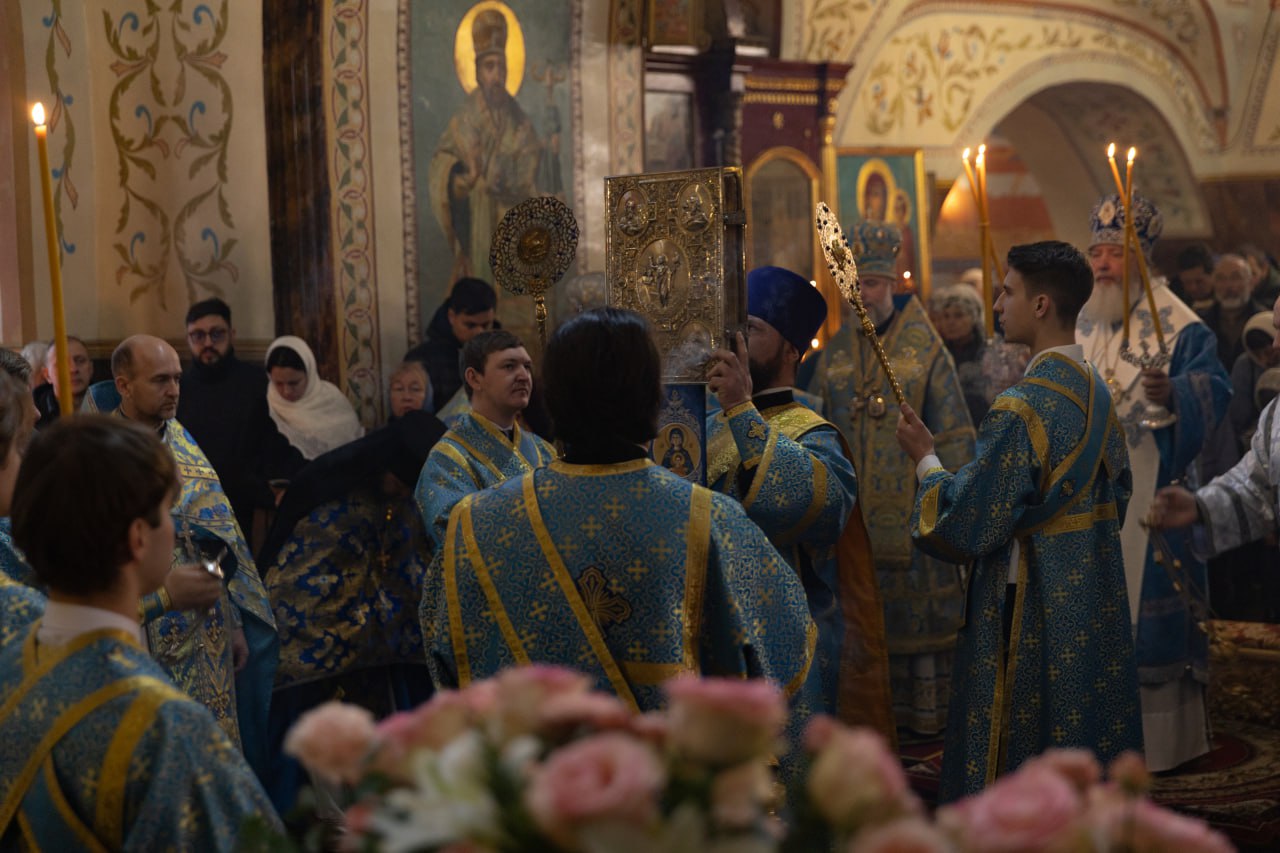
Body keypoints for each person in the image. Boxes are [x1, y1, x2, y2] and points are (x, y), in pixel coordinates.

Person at [421, 308, 819, 720]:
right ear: (654, 400)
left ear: (552, 398)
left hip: (532, 756)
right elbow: (785, 660)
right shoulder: (715, 521)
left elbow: (446, 655)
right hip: (670, 757)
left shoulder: (476, 524)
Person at [897, 240, 1142, 801]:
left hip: (1028, 605)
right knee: (1081, 734)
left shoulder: (1022, 407)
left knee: (1021, 752)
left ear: (1040, 305)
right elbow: (1120, 498)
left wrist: (926, 460)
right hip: (1093, 599)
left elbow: (965, 523)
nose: (997, 304)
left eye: (1007, 292)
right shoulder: (1099, 396)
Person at [0, 415, 280, 848]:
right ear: (137, 538)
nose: (173, 528)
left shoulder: (8, 664)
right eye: (167, 513)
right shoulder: (168, 729)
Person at [1075, 193, 1230, 773]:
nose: (1102, 264)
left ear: (1141, 258)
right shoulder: (1083, 320)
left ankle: (1164, 747)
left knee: (1150, 629)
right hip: (1089, 499)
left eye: (1114, 253)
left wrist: (1176, 395)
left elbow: (1214, 391)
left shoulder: (1181, 325)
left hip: (1153, 493)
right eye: (1096, 253)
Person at [706, 265, 893, 739]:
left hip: (785, 641)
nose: (737, 341)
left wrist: (742, 409)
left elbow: (818, 511)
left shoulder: (815, 433)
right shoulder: (707, 427)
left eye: (752, 329)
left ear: (792, 349)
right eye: (735, 328)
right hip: (713, 629)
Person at [807, 220, 975, 736]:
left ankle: (923, 720)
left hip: (913, 522)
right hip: (855, 524)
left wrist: (948, 499)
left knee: (918, 642)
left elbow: (955, 432)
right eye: (858, 285)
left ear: (893, 286)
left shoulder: (926, 350)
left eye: (875, 285)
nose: (865, 294)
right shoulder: (836, 352)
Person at [112, 335, 281, 788]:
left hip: (206, 625)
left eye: (177, 379)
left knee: (216, 748)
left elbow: (219, 535)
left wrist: (234, 621)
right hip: (144, 621)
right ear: (124, 385)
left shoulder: (183, 440)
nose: (174, 390)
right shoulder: (101, 454)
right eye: (160, 380)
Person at [259, 409, 446, 809]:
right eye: (401, 481)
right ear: (388, 464)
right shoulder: (325, 486)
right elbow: (298, 572)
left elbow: (411, 563)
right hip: (316, 639)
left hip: (385, 648)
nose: (403, 492)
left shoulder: (407, 497)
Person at [428, 7, 541, 286]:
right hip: (478, 233)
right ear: (477, 73)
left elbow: (530, 172)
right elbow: (441, 170)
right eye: (490, 67)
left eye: (502, 67)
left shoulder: (520, 121)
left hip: (514, 237)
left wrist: (513, 178)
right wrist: (467, 178)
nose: (497, 76)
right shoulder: (463, 121)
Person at [177, 298, 306, 538]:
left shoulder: (255, 381)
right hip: (191, 506)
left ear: (232, 334)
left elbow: (268, 442)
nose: (208, 343)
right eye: (198, 336)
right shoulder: (178, 389)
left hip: (245, 503)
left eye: (217, 334)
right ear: (188, 339)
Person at [415, 330, 556, 547]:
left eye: (527, 366)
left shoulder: (544, 450)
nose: (523, 376)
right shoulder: (446, 461)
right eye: (509, 366)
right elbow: (454, 536)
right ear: (474, 378)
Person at [405, 277, 498, 416]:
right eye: (470, 325)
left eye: (486, 325)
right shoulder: (422, 359)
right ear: (451, 316)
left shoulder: (503, 354)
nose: (479, 332)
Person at [265, 335, 364, 460]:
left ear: (310, 373)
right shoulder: (265, 404)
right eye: (278, 383)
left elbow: (352, 447)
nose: (286, 391)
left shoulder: (331, 398)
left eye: (294, 383)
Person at [930, 283, 991, 425]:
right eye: (946, 316)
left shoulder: (989, 353)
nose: (950, 322)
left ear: (974, 317)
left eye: (959, 315)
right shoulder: (937, 355)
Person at [1200, 253, 1269, 370]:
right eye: (1221, 279)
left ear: (1251, 283)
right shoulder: (1202, 323)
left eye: (1236, 278)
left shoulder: (1265, 321)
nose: (1228, 286)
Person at [32, 334, 93, 427]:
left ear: (91, 368)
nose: (73, 369)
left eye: (80, 361)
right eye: (62, 363)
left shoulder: (108, 405)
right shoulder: (34, 415)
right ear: (47, 375)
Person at [1172, 242, 1215, 314]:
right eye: (1187, 282)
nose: (1193, 288)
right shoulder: (1174, 295)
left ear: (1213, 275)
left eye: (1199, 281)